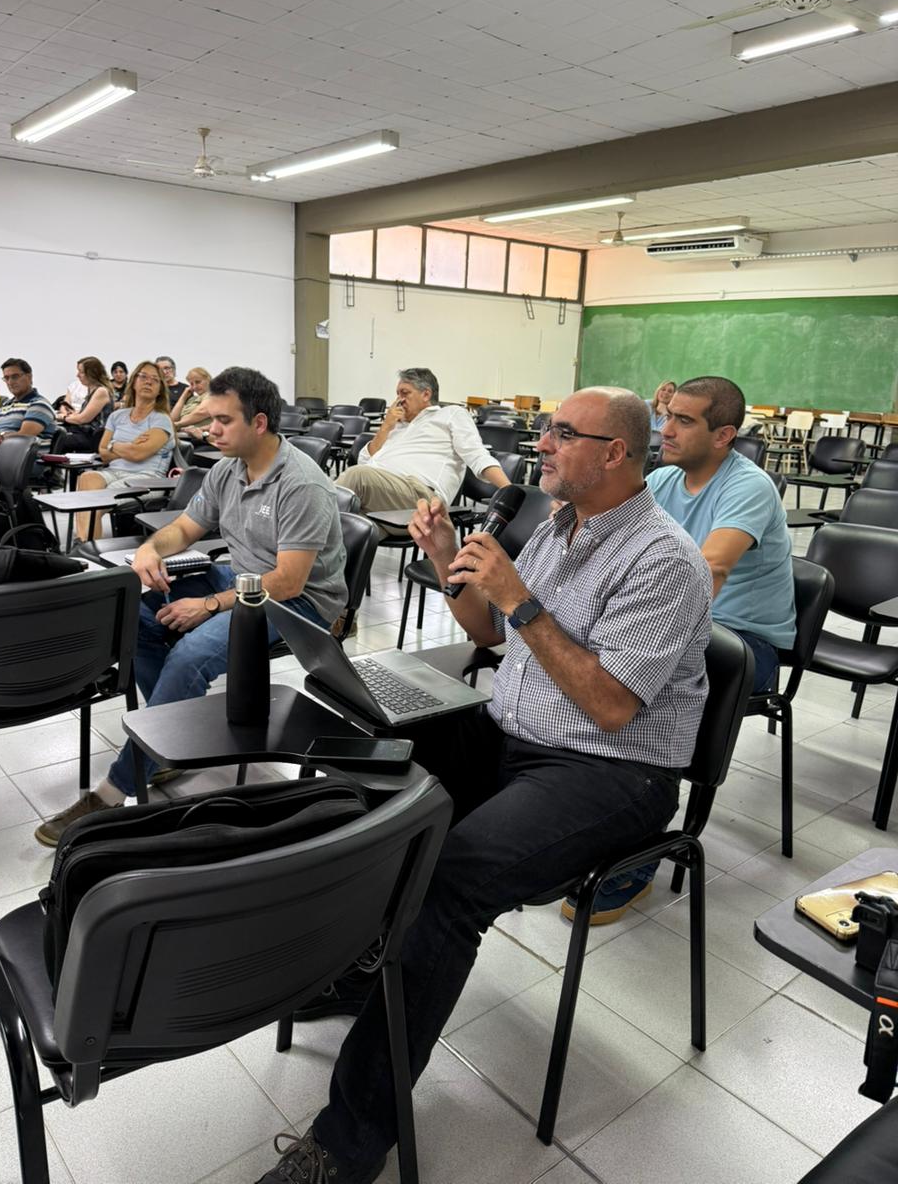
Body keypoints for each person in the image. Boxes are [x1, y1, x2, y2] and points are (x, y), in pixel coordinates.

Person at [255, 388, 713, 1184]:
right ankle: (365, 970)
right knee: (360, 772)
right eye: (547, 430)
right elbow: (488, 631)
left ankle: (350, 1142)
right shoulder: (561, 526)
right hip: (513, 736)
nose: (543, 444)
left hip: (611, 770)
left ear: (615, 452)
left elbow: (610, 705)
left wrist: (518, 598)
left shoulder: (665, 562)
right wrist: (447, 559)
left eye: (564, 433)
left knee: (452, 878)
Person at [35, 366, 348, 847]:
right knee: (135, 617)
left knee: (190, 655)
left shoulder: (301, 484)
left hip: (298, 603)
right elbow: (184, 528)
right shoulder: (227, 469)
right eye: (210, 418)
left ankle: (114, 791)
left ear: (259, 423)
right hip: (242, 578)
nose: (211, 429)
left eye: (223, 420)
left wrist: (209, 604)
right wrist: (149, 551)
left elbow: (288, 582)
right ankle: (173, 736)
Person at [564, 374, 796, 925]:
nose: (665, 429)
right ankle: (582, 808)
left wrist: (652, 637)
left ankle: (642, 846)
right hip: (688, 624)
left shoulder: (748, 486)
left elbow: (710, 568)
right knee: (596, 671)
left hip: (743, 643)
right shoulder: (665, 479)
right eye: (667, 416)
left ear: (724, 436)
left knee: (647, 691)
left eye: (683, 420)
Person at [336, 367, 510, 516]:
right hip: (379, 495)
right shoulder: (397, 424)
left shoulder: (451, 414)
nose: (398, 400)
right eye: (397, 394)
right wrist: (386, 427)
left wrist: (511, 492)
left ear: (426, 394)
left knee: (353, 478)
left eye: (405, 393)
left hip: (421, 496)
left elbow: (477, 455)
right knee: (347, 529)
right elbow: (364, 461)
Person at [72, 360, 175, 541]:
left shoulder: (161, 419)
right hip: (113, 472)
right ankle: (86, 544)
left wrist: (114, 444)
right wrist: (129, 445)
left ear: (160, 389)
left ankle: (85, 546)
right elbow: (103, 452)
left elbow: (138, 455)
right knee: (87, 478)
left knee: (95, 501)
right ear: (133, 382)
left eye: (155, 380)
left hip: (146, 477)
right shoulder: (117, 416)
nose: (148, 382)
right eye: (143, 377)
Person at [0, 358, 56, 449]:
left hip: (21, 457)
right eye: (6, 378)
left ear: (29, 377)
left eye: (15, 376)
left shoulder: (39, 404)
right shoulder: (7, 405)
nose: (10, 382)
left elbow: (23, 437)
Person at [57, 357, 113, 453]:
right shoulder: (92, 390)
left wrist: (63, 417)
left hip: (93, 437)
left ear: (91, 374)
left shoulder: (101, 391)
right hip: (86, 433)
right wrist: (74, 414)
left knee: (58, 440)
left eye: (81, 372)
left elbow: (83, 419)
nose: (77, 375)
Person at [170, 366, 212, 444]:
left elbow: (201, 412)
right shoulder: (192, 399)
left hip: (201, 440)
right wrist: (183, 397)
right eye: (191, 384)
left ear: (208, 380)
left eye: (198, 382)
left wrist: (178, 424)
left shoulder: (213, 395)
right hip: (183, 439)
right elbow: (173, 419)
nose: (195, 386)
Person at [647, 379, 676, 444]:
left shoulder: (673, 414)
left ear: (674, 396)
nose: (666, 393)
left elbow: (666, 434)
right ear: (658, 391)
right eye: (663, 389)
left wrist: (665, 413)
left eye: (670, 391)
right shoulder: (647, 404)